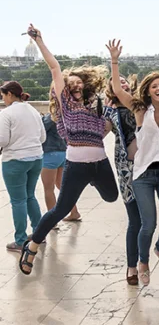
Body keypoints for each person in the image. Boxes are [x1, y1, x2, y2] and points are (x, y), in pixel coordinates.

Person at [20, 24, 118, 275]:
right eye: (69, 83)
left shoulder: (96, 106)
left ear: (84, 86)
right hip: (76, 165)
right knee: (61, 210)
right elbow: (54, 67)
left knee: (112, 197)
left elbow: (105, 129)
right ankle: (32, 246)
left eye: (77, 83)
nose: (73, 85)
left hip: (99, 162)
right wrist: (40, 40)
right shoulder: (66, 105)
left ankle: (93, 180)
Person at [107, 39, 159, 286]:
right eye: (154, 86)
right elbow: (119, 92)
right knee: (148, 224)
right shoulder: (141, 110)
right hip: (142, 175)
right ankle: (143, 262)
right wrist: (115, 60)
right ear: (148, 91)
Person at [104, 73, 141, 284]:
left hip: (150, 165)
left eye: (124, 79)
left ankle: (143, 259)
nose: (121, 82)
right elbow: (102, 132)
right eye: (116, 81)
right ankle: (132, 266)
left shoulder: (144, 104)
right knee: (135, 219)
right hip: (126, 166)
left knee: (149, 218)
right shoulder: (111, 111)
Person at [1, 81, 45, 252]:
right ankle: (38, 234)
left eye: (3, 95)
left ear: (10, 94)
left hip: (15, 160)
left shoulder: (7, 113)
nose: (3, 99)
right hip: (35, 158)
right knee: (30, 196)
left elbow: (2, 140)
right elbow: (42, 137)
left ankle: (20, 240)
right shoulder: (32, 110)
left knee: (18, 201)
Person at [40, 112, 81, 221]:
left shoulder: (51, 116)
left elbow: (40, 131)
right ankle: (74, 212)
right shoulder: (67, 115)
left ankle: (51, 221)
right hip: (63, 153)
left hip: (50, 154)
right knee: (62, 186)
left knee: (48, 189)